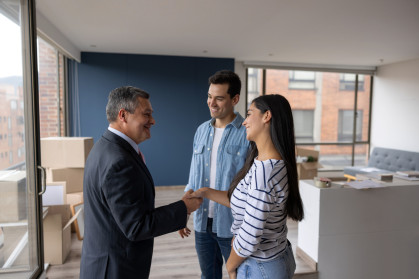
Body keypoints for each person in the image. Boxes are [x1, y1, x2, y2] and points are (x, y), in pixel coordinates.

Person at [80, 86, 202, 279]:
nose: (152, 121)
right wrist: (184, 207)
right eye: (146, 115)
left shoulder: (103, 147)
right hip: (115, 269)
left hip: (103, 262)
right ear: (123, 115)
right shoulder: (119, 161)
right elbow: (136, 226)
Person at [191, 94, 304, 279]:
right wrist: (205, 192)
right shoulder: (266, 163)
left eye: (250, 113)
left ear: (267, 116)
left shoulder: (264, 173)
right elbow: (247, 204)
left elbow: (250, 236)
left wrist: (230, 265)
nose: (245, 122)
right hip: (275, 256)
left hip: (260, 266)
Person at [179, 70, 250, 278]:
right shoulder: (201, 130)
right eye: (210, 97)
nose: (212, 103)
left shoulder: (247, 133)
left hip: (233, 224)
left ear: (235, 99)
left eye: (219, 98)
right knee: (208, 275)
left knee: (238, 275)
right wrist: (184, 210)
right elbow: (193, 175)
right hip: (202, 222)